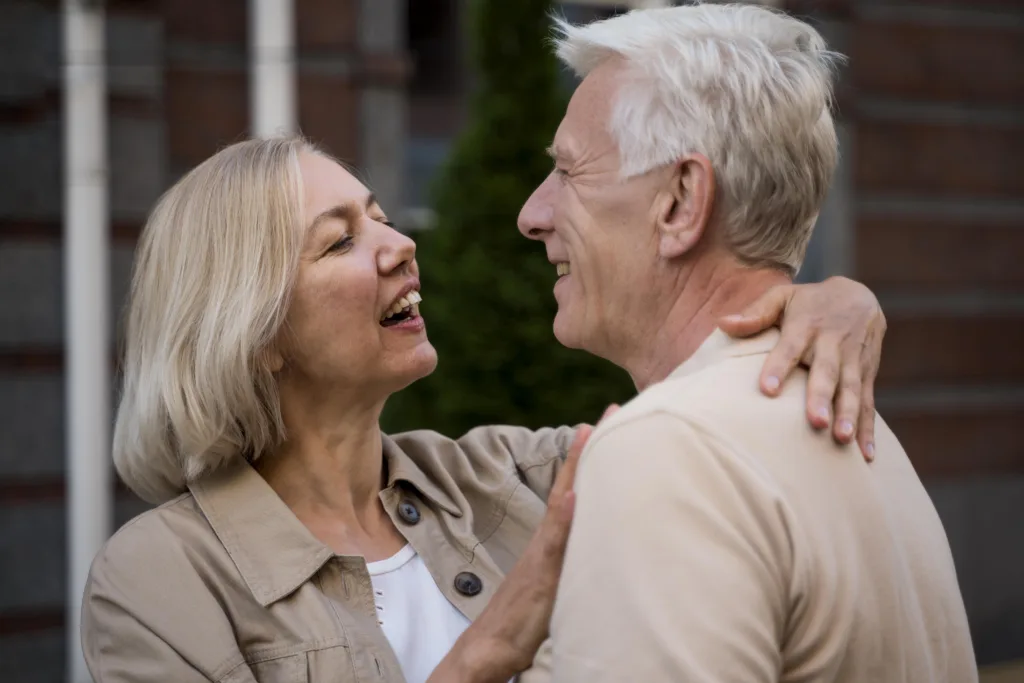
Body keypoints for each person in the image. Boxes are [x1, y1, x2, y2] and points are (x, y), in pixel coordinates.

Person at [81, 134, 885, 683]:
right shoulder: (157, 580)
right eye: (339, 242)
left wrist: (827, 300)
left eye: (383, 218)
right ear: (253, 333)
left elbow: (703, 427)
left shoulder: (513, 474)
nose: (400, 246)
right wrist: (496, 639)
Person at [516, 5, 977, 682]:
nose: (532, 214)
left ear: (680, 202)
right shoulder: (864, 437)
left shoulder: (668, 450)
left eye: (568, 171)